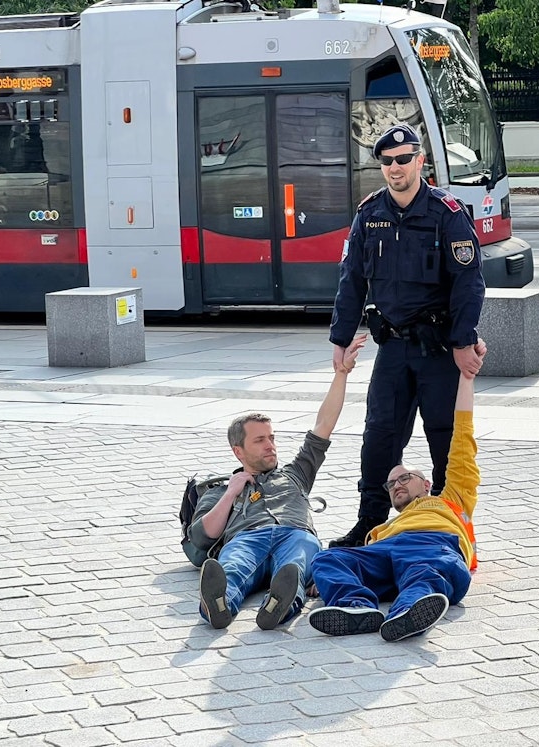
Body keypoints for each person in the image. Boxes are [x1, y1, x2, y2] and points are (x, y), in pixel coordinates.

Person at [328, 122, 486, 548]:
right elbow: (352, 280)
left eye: (403, 160)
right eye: (387, 162)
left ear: (420, 161)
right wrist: (341, 338)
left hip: (438, 349)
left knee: (445, 437)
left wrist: (462, 341)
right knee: (380, 436)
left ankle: (449, 521)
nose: (395, 168)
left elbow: (468, 283)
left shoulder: (446, 214)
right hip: (393, 347)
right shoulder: (369, 214)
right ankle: (370, 522)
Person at [308, 343, 484, 642]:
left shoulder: (450, 499)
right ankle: (357, 608)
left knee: (426, 573)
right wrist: (329, 580)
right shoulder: (382, 530)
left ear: (427, 484)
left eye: (404, 477)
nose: (397, 484)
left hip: (433, 545)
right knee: (328, 560)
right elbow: (348, 561)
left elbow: (462, 440)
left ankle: (411, 610)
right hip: (384, 553)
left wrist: (466, 380)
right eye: (391, 485)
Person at [188, 335, 367, 630]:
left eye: (271, 438)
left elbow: (323, 426)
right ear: (238, 451)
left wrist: (341, 373)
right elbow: (201, 537)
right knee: (232, 567)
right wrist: (232, 492)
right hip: (247, 537)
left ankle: (278, 604)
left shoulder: (296, 473)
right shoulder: (220, 490)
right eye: (260, 440)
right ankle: (218, 605)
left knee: (293, 567)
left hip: (295, 534)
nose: (271, 445)